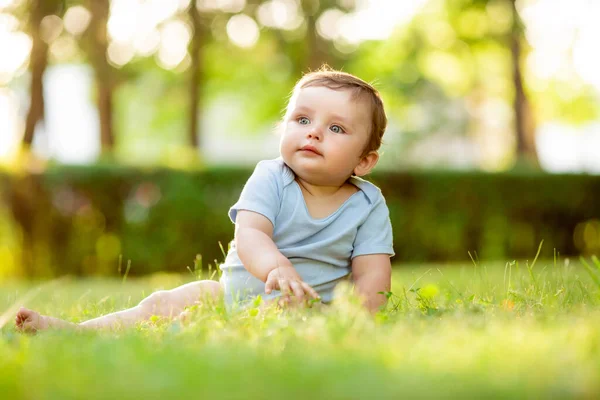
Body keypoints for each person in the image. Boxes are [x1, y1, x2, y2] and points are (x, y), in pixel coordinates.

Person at [15, 66, 394, 333]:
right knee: (162, 304)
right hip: (232, 298)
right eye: (302, 120)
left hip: (311, 310)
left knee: (280, 324)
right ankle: (76, 330)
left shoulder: (367, 204)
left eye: (336, 128)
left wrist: (352, 320)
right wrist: (275, 267)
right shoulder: (271, 177)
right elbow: (251, 234)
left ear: (364, 161)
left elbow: (372, 274)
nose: (313, 134)